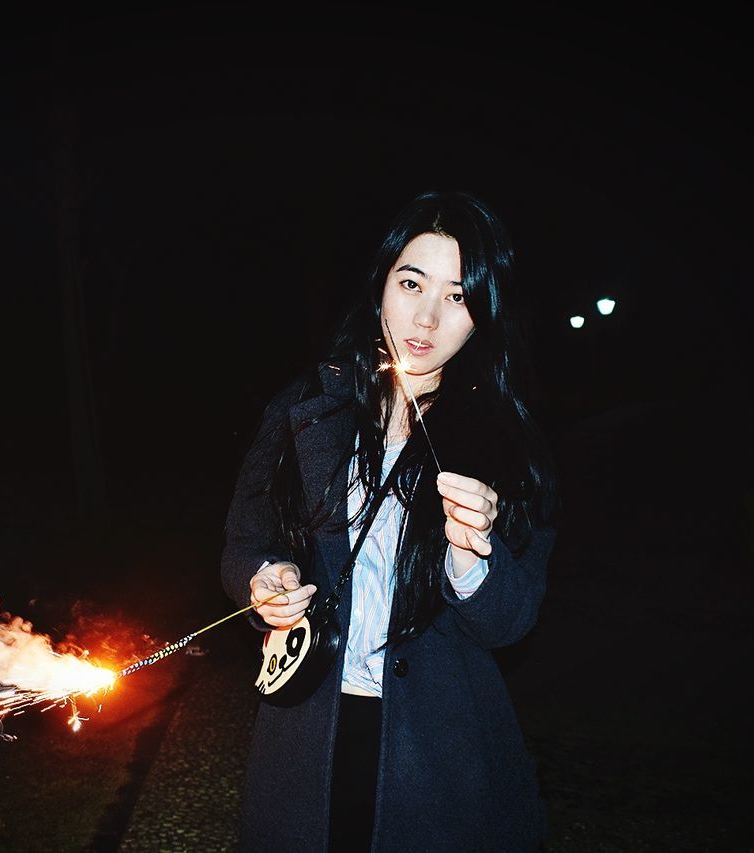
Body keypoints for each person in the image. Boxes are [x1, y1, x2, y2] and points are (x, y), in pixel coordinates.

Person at [220, 190, 559, 852]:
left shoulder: (509, 445)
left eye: (458, 296)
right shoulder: (308, 407)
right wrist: (266, 580)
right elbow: (242, 544)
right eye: (412, 282)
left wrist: (473, 554)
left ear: (483, 312)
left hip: (438, 748)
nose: (426, 316)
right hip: (308, 728)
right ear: (382, 282)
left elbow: (510, 620)